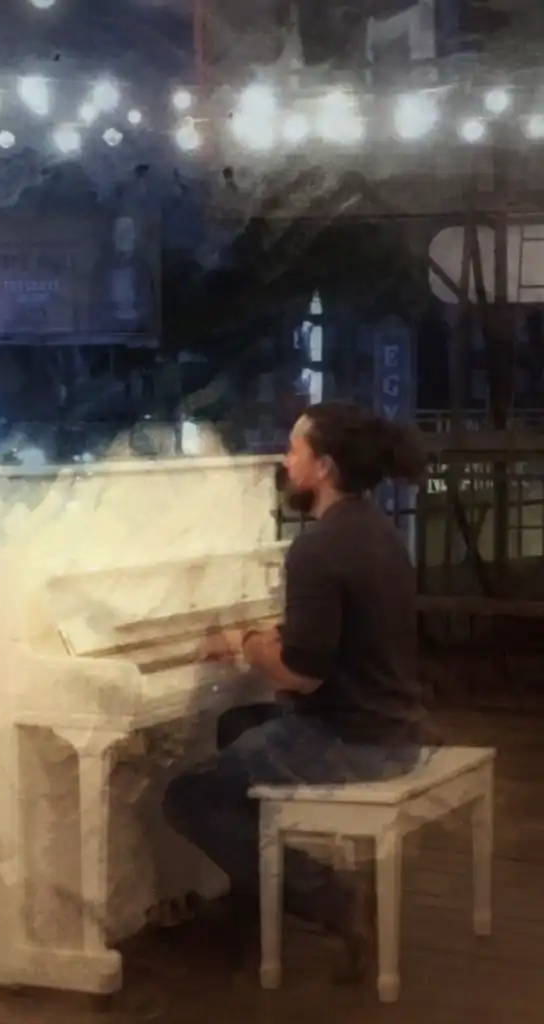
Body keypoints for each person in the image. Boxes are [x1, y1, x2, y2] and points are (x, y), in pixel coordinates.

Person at [162, 401, 429, 980]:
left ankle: (331, 897)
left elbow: (300, 676)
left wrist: (246, 643)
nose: (285, 462)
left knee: (188, 796)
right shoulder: (377, 531)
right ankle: (253, 899)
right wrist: (268, 638)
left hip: (353, 741)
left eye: (294, 450)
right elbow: (337, 632)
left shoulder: (318, 549)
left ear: (324, 467)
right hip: (393, 726)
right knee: (236, 727)